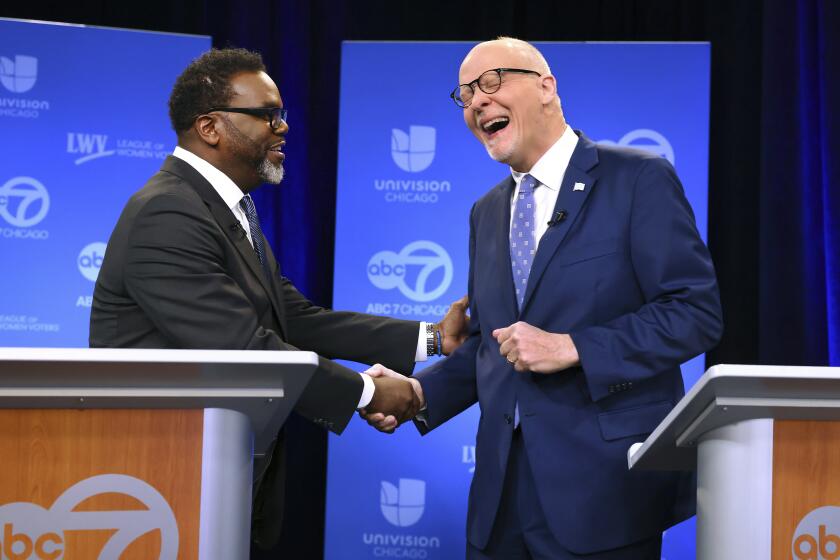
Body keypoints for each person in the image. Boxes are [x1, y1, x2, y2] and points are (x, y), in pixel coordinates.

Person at [89, 47, 468, 549]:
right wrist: (368, 392)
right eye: (268, 115)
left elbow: (295, 317)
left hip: (222, 472)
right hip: (161, 484)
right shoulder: (169, 212)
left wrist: (435, 340)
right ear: (210, 128)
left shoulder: (225, 209)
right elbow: (239, 348)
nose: (283, 128)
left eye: (281, 115)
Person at [363, 37, 723, 559]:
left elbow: (695, 312)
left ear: (546, 88)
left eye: (492, 82)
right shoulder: (486, 212)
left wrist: (574, 346)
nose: (477, 101)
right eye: (465, 94)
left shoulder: (637, 179)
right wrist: (421, 394)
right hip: (498, 504)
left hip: (604, 496)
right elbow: (495, 345)